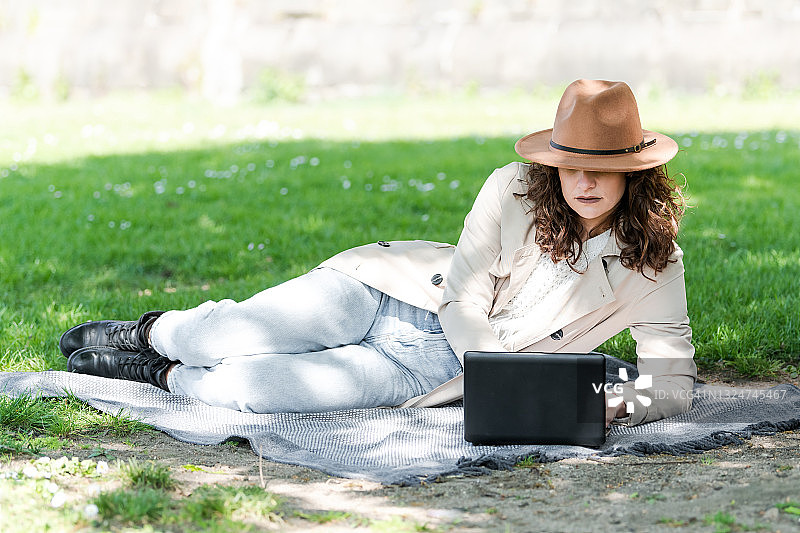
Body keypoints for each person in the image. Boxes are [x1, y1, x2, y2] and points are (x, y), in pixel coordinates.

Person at [60, 79, 696, 428]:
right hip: (390, 294)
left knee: (257, 388)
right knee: (226, 332)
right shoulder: (513, 189)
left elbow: (671, 385)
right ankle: (157, 333)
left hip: (431, 377)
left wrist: (598, 405)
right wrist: (506, 371)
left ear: (634, 173)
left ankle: (160, 375)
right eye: (568, 166)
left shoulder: (655, 264)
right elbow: (463, 295)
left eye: (601, 169)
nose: (581, 182)